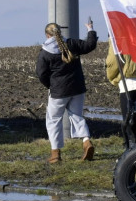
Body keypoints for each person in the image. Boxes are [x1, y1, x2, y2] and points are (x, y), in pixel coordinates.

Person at [36, 19, 99, 163]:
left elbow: (41, 73)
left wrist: (50, 85)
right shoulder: (72, 44)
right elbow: (90, 45)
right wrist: (90, 29)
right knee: (77, 116)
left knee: (53, 120)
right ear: (60, 32)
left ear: (47, 35)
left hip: (58, 91)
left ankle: (55, 153)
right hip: (77, 88)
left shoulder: (45, 52)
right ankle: (86, 141)